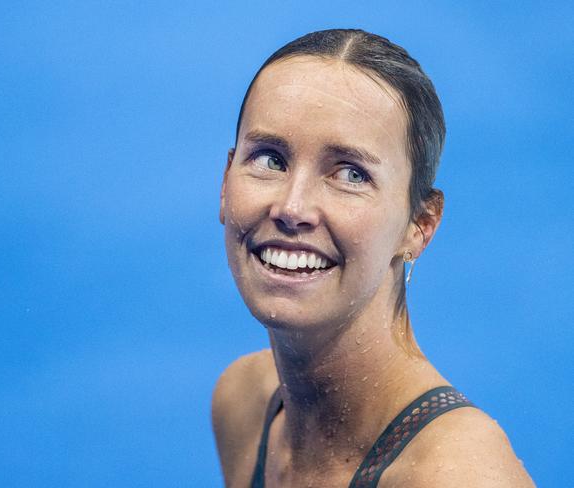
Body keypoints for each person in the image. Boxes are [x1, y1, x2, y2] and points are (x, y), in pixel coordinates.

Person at [212, 29, 534, 487]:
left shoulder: (456, 477)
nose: (292, 207)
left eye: (350, 173)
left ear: (419, 225)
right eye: (270, 159)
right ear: (225, 182)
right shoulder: (244, 403)